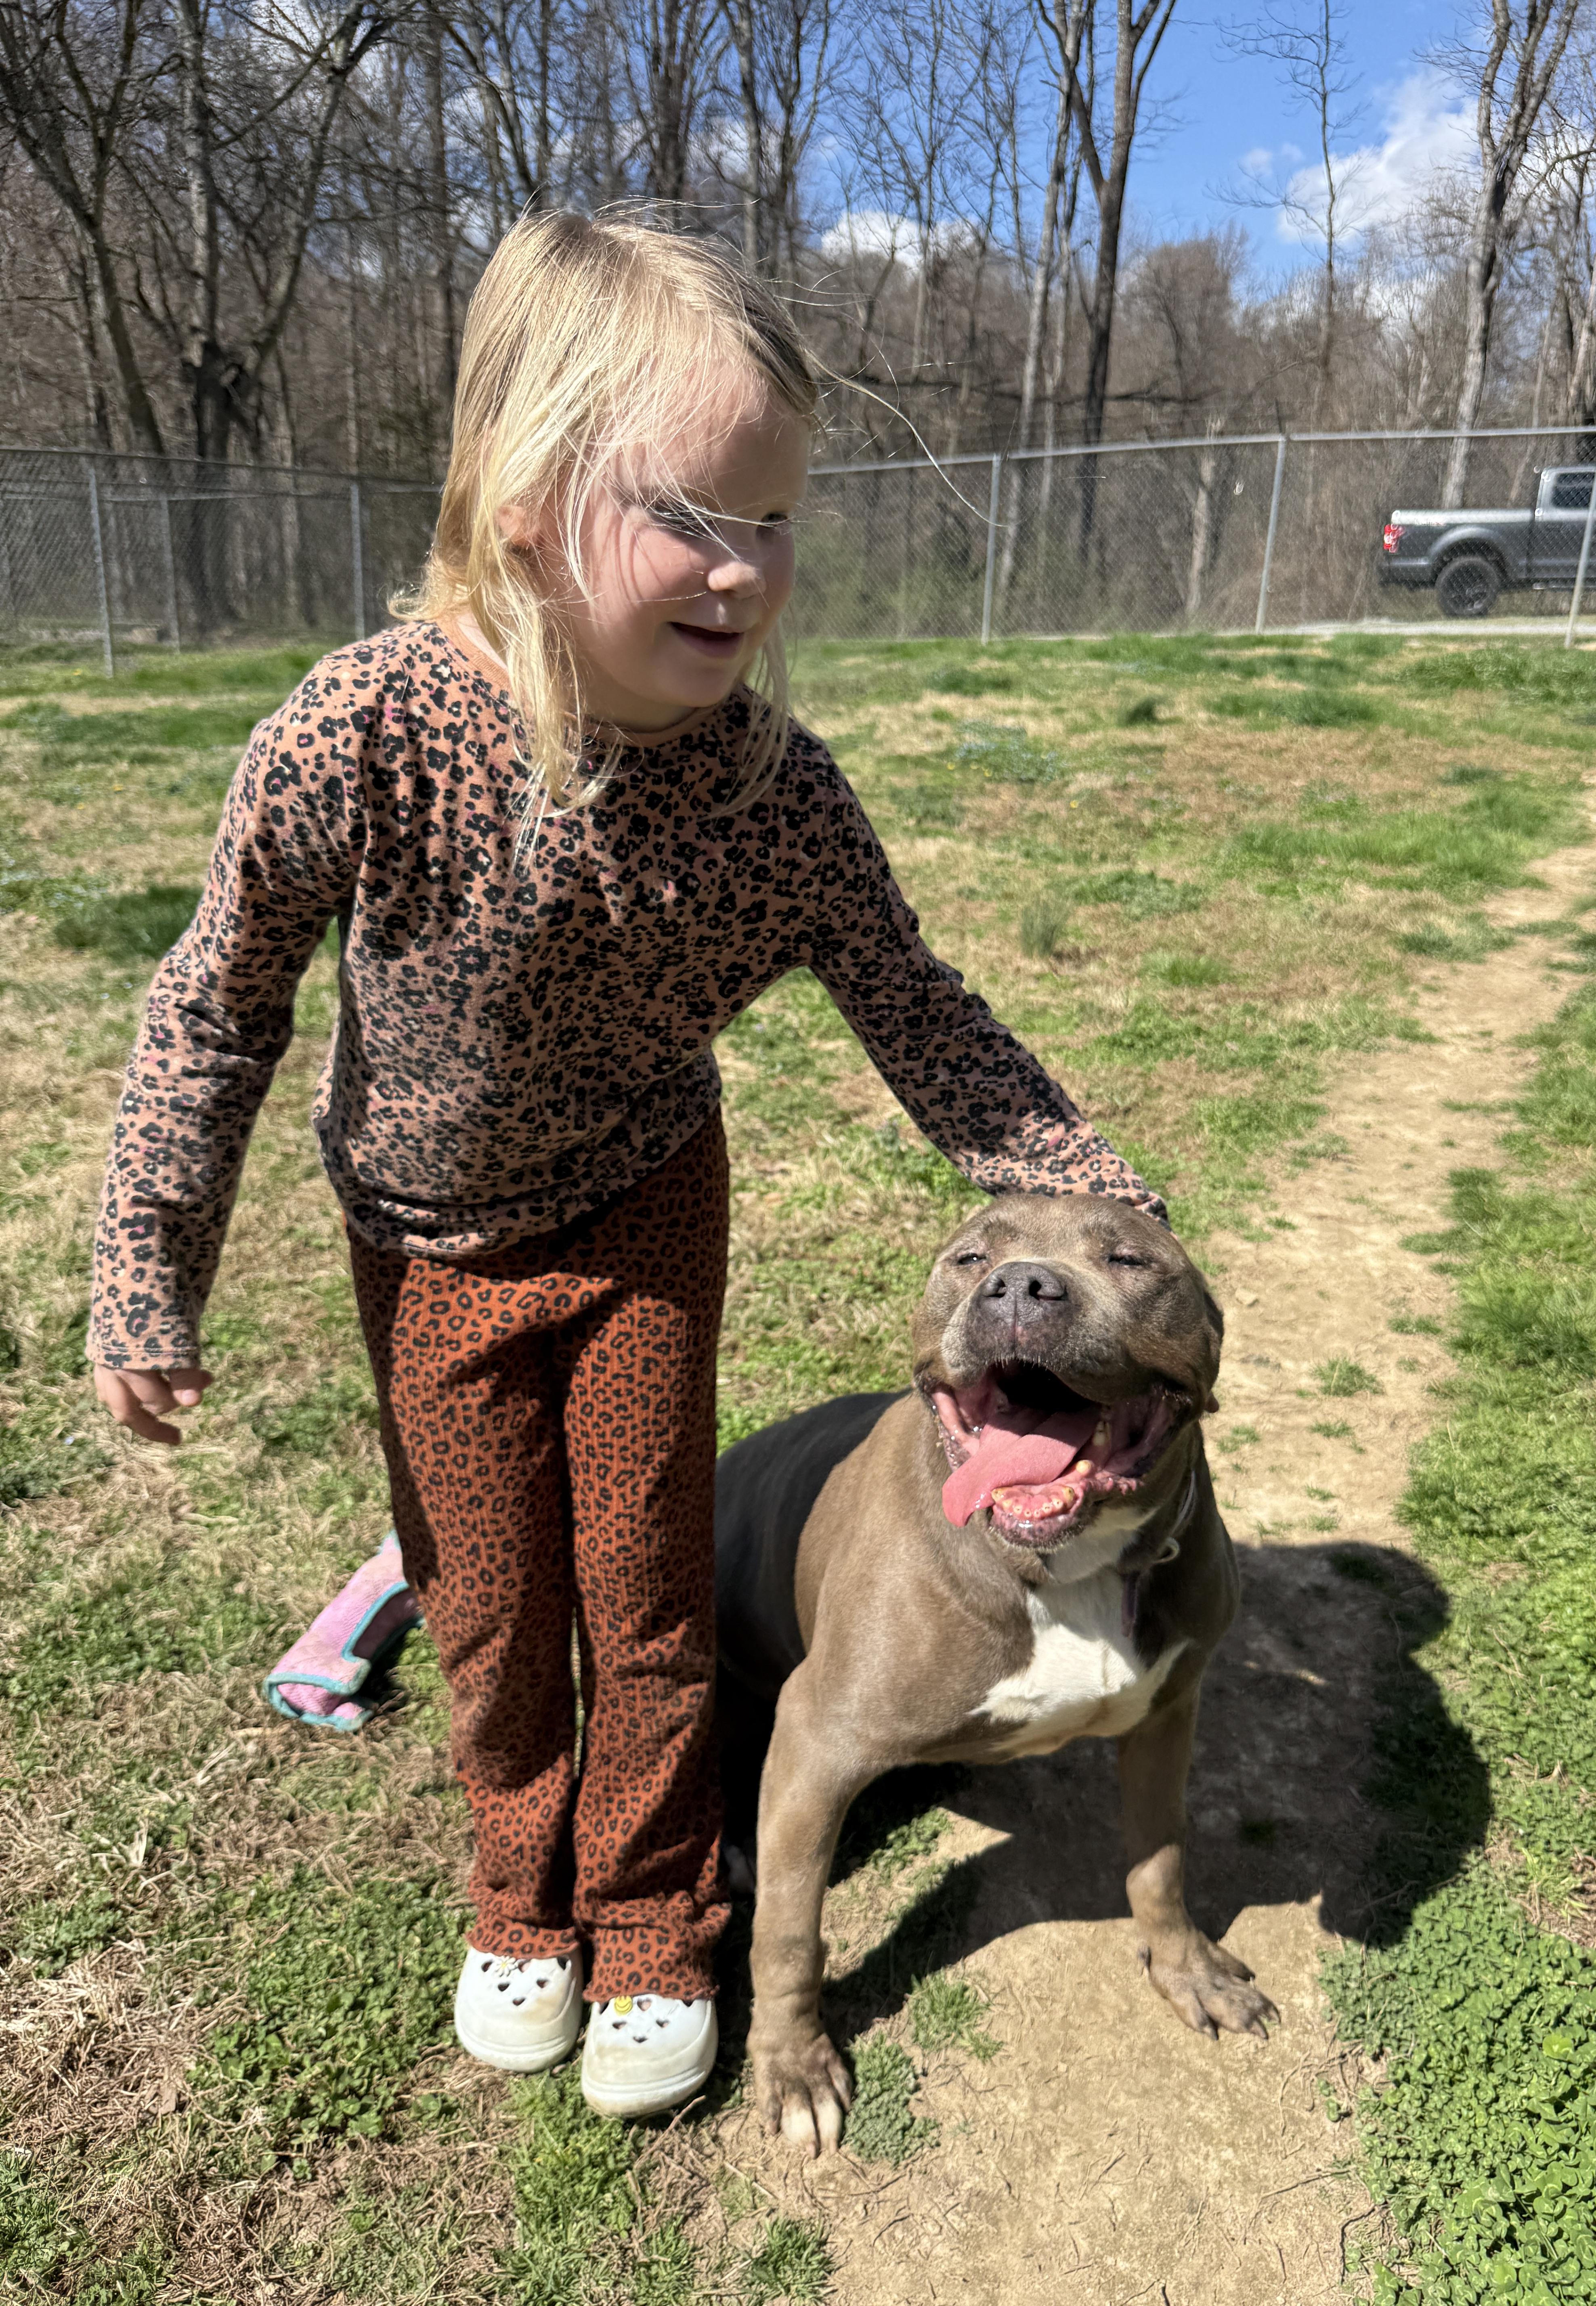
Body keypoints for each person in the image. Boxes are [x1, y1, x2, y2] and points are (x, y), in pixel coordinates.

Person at [86, 210, 1164, 2119]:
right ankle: (523, 1894)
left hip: (649, 1207)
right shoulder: (365, 734)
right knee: (493, 1600)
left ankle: (657, 1920)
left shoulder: (776, 794)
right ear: (522, 499)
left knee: (652, 1592)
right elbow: (215, 995)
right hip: (424, 1239)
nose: (747, 572)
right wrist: (148, 1263)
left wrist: (1088, 1190)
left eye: (777, 525)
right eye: (694, 516)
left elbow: (916, 1007)